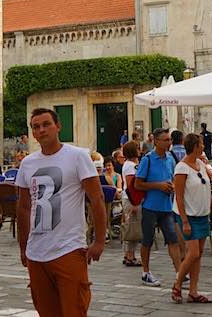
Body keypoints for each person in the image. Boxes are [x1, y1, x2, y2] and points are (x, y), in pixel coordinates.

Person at [16, 108, 106, 317]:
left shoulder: (77, 156)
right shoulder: (28, 163)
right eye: (36, 127)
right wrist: (23, 247)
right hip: (36, 252)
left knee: (74, 310)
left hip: (68, 248)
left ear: (58, 126)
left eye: (46, 124)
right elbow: (24, 206)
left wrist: (99, 240)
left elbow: (96, 197)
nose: (41, 130)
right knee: (46, 311)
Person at [134, 128, 183, 287]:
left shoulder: (170, 158)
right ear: (156, 142)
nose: (169, 142)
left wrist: (173, 185)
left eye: (169, 139)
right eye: (166, 140)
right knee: (147, 240)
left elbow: (174, 177)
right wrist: (158, 186)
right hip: (150, 206)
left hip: (167, 206)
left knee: (173, 240)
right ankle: (146, 272)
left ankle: (179, 273)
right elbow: (138, 184)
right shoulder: (147, 159)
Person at [172, 133, 212, 304]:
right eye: (201, 144)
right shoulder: (181, 168)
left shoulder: (201, 165)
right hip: (188, 215)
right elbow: (179, 196)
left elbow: (207, 189)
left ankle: (193, 291)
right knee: (193, 252)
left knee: (198, 254)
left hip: (202, 213)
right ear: (195, 146)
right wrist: (185, 221)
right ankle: (177, 284)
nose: (203, 146)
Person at [121, 140, 142, 267]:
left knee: (132, 225)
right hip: (131, 199)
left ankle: (129, 254)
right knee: (132, 227)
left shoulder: (133, 164)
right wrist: (135, 203)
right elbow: (130, 185)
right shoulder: (129, 166)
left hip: (131, 198)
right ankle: (130, 256)